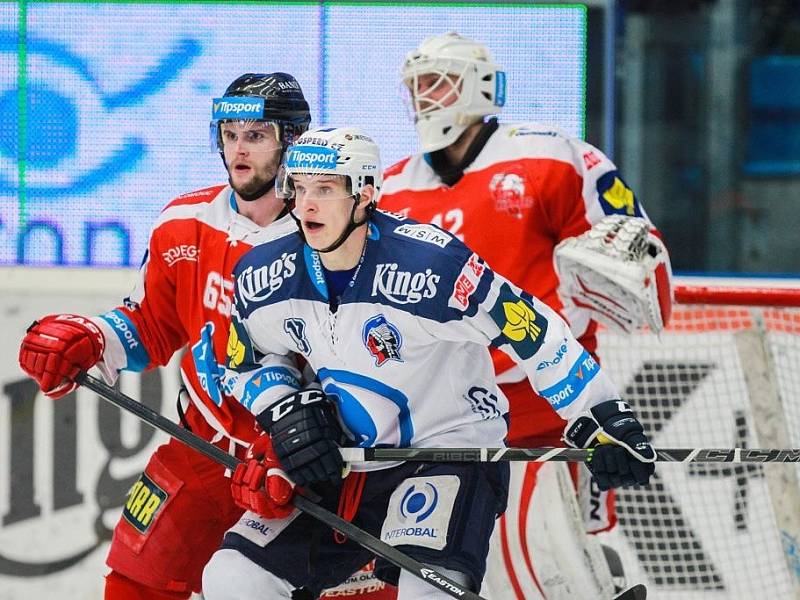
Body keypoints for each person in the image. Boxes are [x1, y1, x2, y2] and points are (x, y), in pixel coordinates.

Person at [200, 126, 656, 600]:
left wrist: (598, 414)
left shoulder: (428, 266)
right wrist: (286, 410)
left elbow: (531, 329)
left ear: (365, 194)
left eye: (325, 189)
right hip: (350, 461)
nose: (306, 204)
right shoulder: (265, 273)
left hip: (447, 455)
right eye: (297, 188)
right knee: (233, 577)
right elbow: (247, 358)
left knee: (428, 593)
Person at [379, 32, 673, 598]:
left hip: (552, 423)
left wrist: (622, 272)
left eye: (438, 81)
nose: (424, 98)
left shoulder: (553, 157)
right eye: (415, 86)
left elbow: (641, 257)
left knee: (559, 572)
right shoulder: (392, 188)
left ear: (480, 88)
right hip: (446, 429)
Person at [17, 73, 312, 600]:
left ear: (291, 141)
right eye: (230, 134)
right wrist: (90, 338)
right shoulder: (184, 221)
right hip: (202, 445)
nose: (239, 150)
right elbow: (152, 324)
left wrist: (303, 447)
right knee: (136, 581)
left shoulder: (326, 232)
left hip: (297, 459)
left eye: (257, 135)